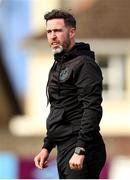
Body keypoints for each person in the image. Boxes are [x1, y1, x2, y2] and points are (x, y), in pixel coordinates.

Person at [34, 9, 106, 179]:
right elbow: (58, 109)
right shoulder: (58, 66)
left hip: (82, 147)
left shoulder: (84, 65)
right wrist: (47, 146)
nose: (52, 36)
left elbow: (92, 109)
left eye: (58, 30)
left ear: (71, 32)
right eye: (49, 31)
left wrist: (80, 149)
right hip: (64, 147)